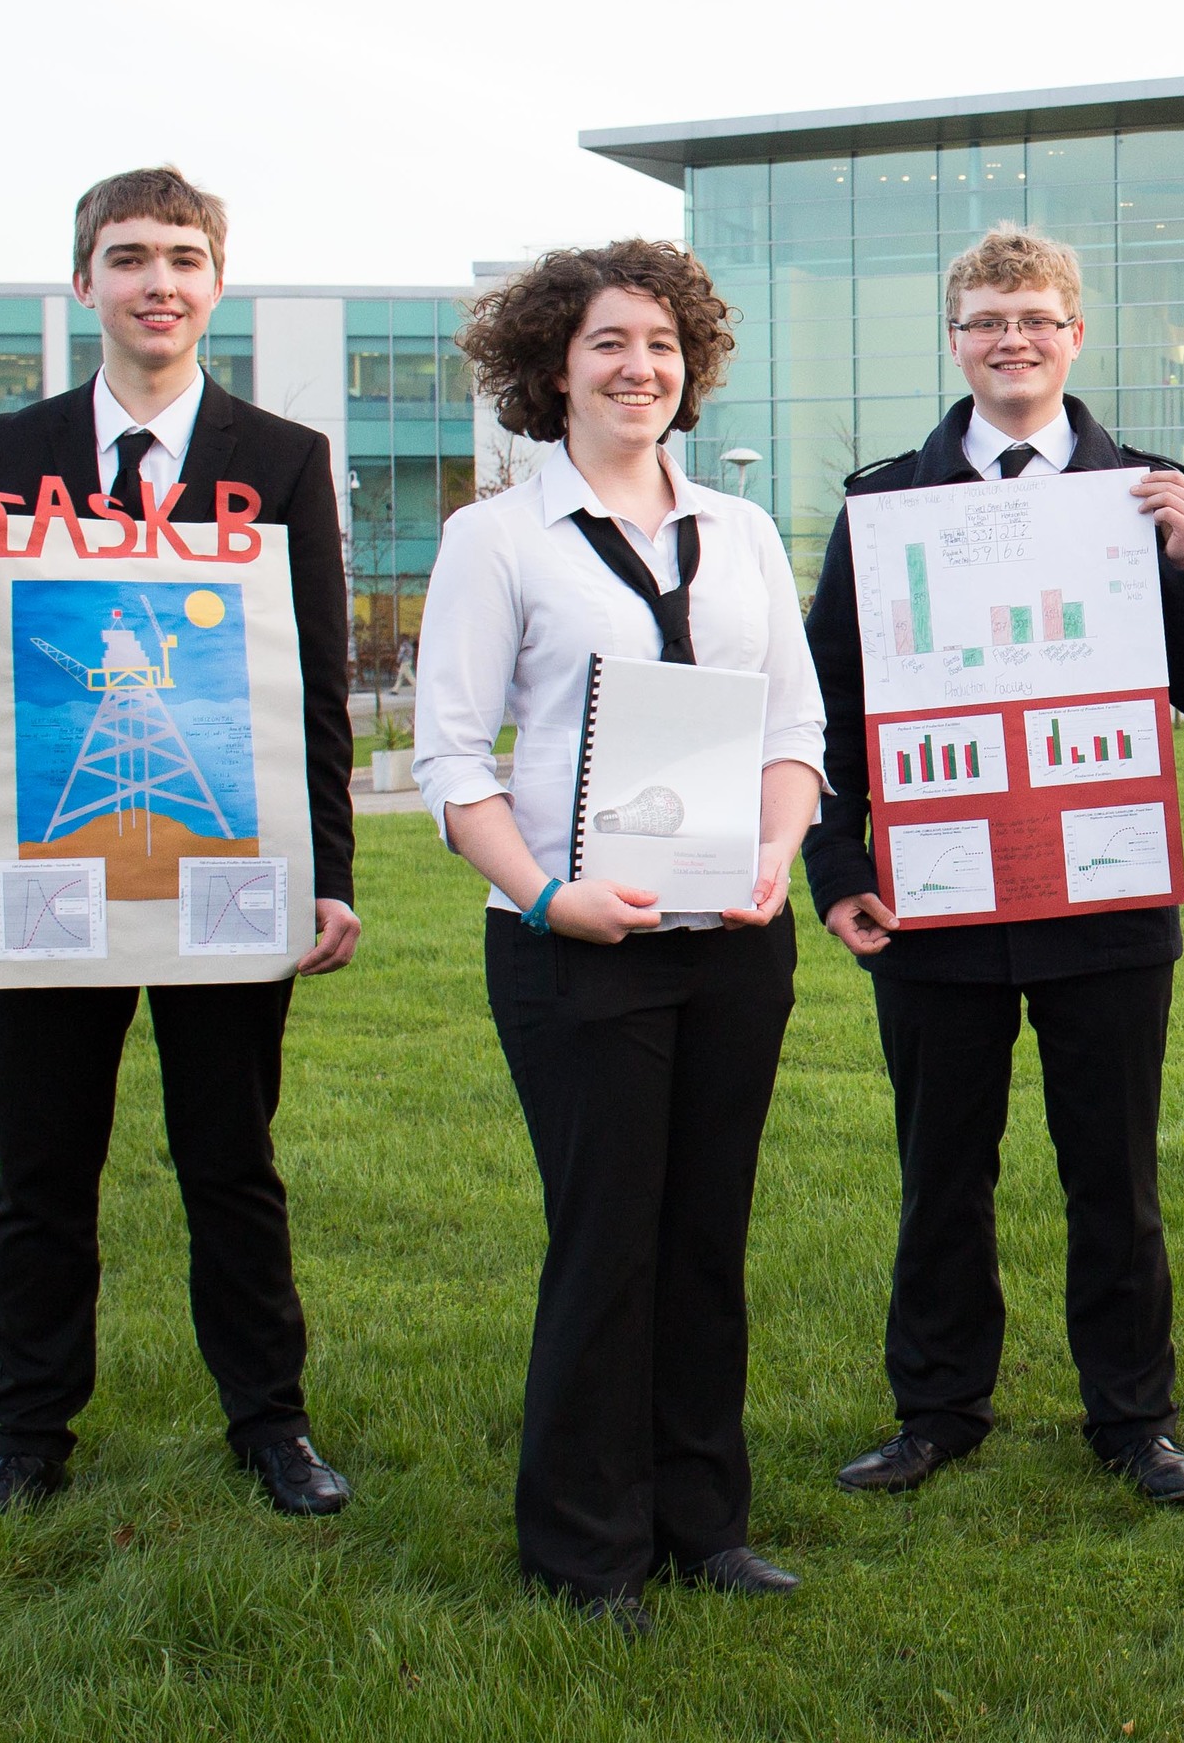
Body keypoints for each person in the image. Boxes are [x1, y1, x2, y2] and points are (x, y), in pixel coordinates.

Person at [0, 167, 363, 1526]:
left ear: (217, 283)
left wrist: (330, 874)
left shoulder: (281, 459)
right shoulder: (10, 441)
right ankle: (26, 1439)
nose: (159, 279)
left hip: (223, 864)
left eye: (183, 257)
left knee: (232, 1161)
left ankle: (272, 1425)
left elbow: (316, 685)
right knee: (41, 1169)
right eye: (130, 255)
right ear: (84, 280)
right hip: (52, 867)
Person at [411, 241, 827, 1633]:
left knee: (706, 1238)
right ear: (551, 368)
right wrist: (545, 896)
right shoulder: (496, 539)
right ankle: (585, 1553)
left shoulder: (747, 531)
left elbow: (793, 728)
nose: (637, 365)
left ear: (691, 364)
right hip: (572, 939)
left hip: (732, 934)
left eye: (660, 341)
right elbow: (454, 762)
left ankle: (705, 1521)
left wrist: (778, 855)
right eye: (607, 343)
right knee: (608, 1244)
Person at [801, 224, 1184, 1504]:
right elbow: (830, 702)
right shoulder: (882, 503)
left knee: (1117, 1174)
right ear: (957, 340)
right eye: (990, 320)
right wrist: (838, 865)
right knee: (943, 1173)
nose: (1014, 341)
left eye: (1037, 319)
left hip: (1103, 889)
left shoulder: (1149, 489)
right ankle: (938, 1410)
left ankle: (1133, 1419)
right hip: (935, 892)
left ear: (1075, 336)